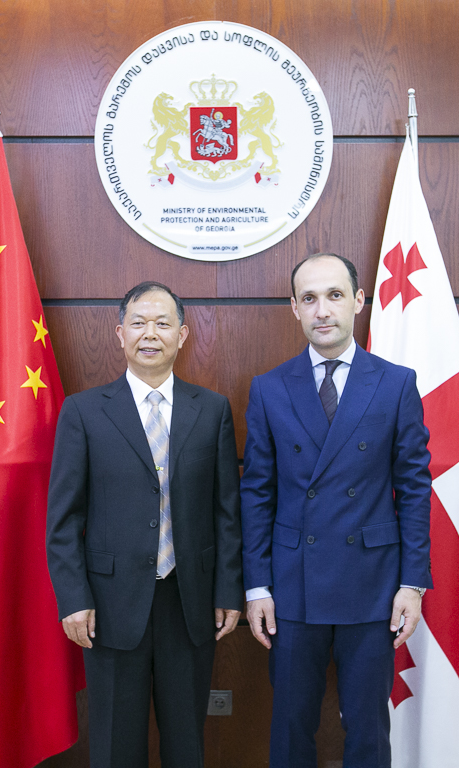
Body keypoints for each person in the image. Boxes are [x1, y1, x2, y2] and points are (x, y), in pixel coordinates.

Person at [241, 253, 433, 767]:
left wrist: (412, 584)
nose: (322, 310)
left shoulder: (395, 383)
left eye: (334, 295)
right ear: (294, 308)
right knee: (290, 728)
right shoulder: (269, 387)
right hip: (291, 586)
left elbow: (414, 489)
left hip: (372, 584)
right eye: (309, 298)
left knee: (368, 730)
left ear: (358, 300)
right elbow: (256, 492)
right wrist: (257, 587)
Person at [46, 281, 243, 768]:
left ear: (182, 335)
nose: (149, 334)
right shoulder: (84, 411)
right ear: (120, 334)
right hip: (109, 606)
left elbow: (226, 513)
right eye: (138, 323)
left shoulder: (212, 409)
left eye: (162, 323)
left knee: (186, 744)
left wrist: (228, 591)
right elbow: (64, 519)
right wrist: (73, 598)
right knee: (116, 747)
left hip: (189, 602)